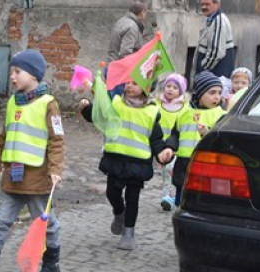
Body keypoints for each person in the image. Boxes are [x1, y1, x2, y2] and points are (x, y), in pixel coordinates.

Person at [0, 50, 64, 272]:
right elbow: (5, 133)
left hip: (37, 177)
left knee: (45, 222)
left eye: (17, 72)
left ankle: (52, 262)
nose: (12, 76)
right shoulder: (13, 102)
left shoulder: (48, 104)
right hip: (13, 176)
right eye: (11, 72)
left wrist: (55, 169)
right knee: (0, 220)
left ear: (33, 75)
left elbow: (57, 140)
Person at [80, 79, 174, 250]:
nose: (129, 86)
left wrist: (162, 152)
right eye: (127, 82)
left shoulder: (151, 112)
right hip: (116, 158)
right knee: (112, 192)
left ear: (146, 88)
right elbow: (99, 116)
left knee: (133, 199)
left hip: (138, 163)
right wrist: (87, 108)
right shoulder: (116, 104)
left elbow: (156, 139)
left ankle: (128, 232)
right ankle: (119, 212)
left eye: (135, 83)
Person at [172, 71, 227, 206]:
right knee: (180, 201)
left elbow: (221, 141)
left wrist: (206, 133)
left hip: (206, 164)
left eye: (219, 93)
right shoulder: (185, 111)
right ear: (200, 94)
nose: (217, 97)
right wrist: (168, 148)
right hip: (184, 161)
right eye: (212, 93)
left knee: (199, 201)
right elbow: (175, 134)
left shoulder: (221, 115)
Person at [151, 73, 188, 211]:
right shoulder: (156, 104)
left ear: (181, 91)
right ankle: (169, 195)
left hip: (177, 146)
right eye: (168, 86)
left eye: (175, 87)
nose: (170, 89)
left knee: (170, 170)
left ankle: (169, 197)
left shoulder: (185, 107)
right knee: (166, 172)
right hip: (161, 145)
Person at [195, 0, 235, 78]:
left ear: (217, 4)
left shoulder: (218, 20)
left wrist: (203, 70)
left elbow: (217, 52)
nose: (204, 7)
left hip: (216, 74)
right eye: (202, 4)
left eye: (207, 4)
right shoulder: (212, 19)